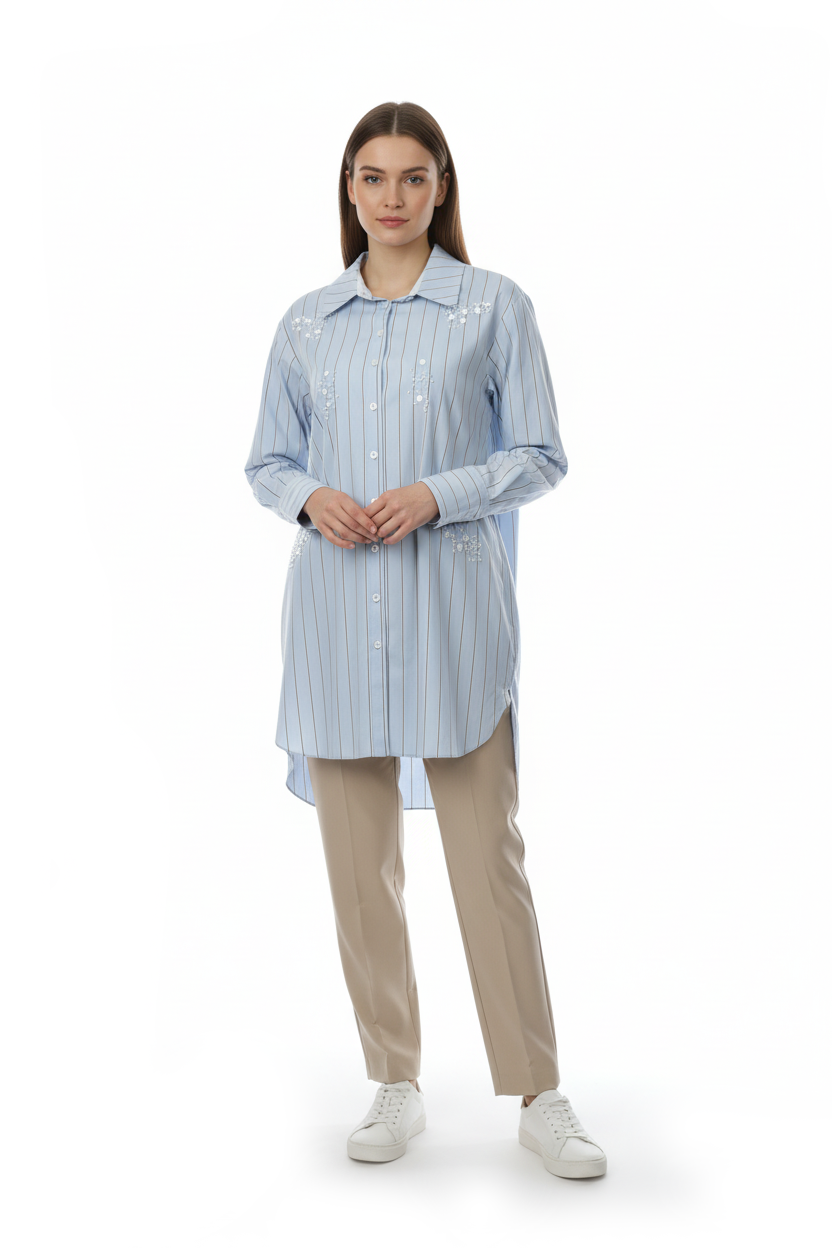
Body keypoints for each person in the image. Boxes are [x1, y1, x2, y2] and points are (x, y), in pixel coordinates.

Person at [243, 100, 607, 1181]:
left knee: (487, 860)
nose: (391, 197)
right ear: (348, 190)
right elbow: (267, 462)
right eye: (372, 177)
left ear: (441, 186)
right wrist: (311, 497)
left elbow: (539, 454)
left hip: (453, 617)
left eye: (412, 176)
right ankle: (392, 1076)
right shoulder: (308, 323)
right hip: (334, 619)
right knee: (359, 872)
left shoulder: (494, 307)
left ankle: (539, 1091)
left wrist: (439, 494)